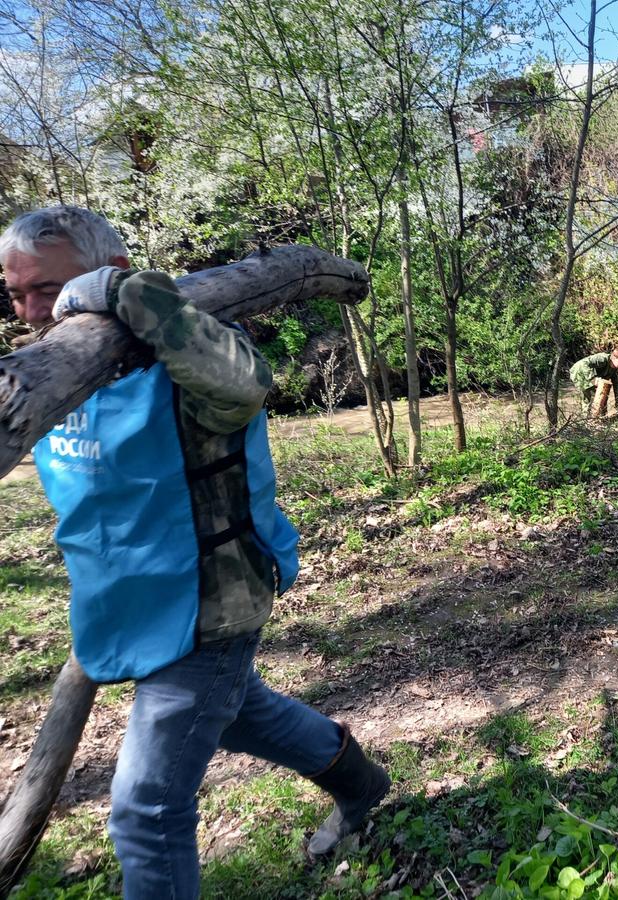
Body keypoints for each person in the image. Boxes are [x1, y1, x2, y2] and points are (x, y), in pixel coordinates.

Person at [1, 206, 390, 898]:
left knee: (145, 808)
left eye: (49, 289)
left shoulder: (187, 344)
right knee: (243, 714)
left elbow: (245, 385)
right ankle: (364, 786)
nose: (35, 311)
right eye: (18, 293)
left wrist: (127, 299)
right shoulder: (44, 367)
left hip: (210, 601)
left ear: (109, 274)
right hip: (122, 602)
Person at [569, 348, 618, 417]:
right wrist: (593, 377)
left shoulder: (614, 369)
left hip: (593, 376)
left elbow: (617, 385)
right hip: (579, 372)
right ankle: (587, 419)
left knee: (604, 394)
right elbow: (584, 364)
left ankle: (602, 417)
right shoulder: (602, 358)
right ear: (614, 358)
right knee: (590, 396)